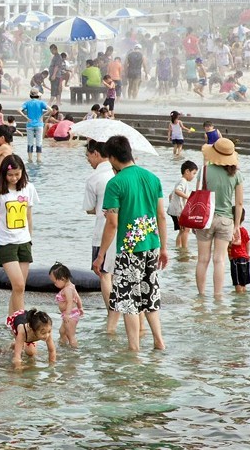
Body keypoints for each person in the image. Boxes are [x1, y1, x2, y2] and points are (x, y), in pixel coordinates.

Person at [94, 136, 167, 351]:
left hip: (129, 249)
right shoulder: (152, 178)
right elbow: (161, 216)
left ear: (114, 158)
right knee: (150, 295)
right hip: (152, 246)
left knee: (129, 301)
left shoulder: (115, 183)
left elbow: (112, 223)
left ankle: (134, 350)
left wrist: (101, 254)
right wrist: (164, 248)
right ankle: (158, 341)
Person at [0, 155, 40, 316]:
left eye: (17, 174)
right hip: (5, 243)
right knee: (18, 285)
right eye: (10, 175)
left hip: (24, 242)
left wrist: (30, 239)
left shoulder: (28, 188)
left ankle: (11, 320)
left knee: (20, 287)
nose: (14, 178)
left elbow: (29, 216)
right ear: (3, 174)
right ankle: (21, 322)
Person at [195, 138, 243, 298]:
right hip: (226, 219)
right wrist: (236, 225)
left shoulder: (204, 170)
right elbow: (239, 202)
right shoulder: (237, 174)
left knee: (202, 259)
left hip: (206, 219)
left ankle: (201, 296)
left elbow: (197, 196)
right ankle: (218, 296)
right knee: (220, 260)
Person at [82, 139, 119, 332]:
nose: (88, 159)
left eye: (88, 155)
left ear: (96, 153)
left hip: (102, 231)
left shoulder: (94, 178)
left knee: (105, 275)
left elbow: (89, 209)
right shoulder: (118, 173)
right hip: (124, 230)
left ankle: (111, 314)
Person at [49, 263, 84, 348]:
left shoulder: (67, 289)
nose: (54, 285)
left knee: (70, 335)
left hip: (70, 315)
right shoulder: (71, 286)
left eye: (55, 282)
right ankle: (63, 346)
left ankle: (74, 350)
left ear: (63, 279)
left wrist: (67, 314)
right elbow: (78, 298)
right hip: (69, 314)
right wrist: (80, 307)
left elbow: (70, 302)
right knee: (62, 331)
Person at [167, 161, 198, 250]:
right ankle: (184, 249)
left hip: (176, 211)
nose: (194, 176)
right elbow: (177, 191)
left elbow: (171, 195)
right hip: (178, 212)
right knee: (186, 230)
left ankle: (179, 248)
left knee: (182, 231)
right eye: (194, 173)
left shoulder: (181, 181)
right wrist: (188, 197)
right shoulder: (183, 181)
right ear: (187, 171)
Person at [18, 88, 49, 163]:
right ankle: (38, 159)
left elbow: (18, 110)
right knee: (39, 142)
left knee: (30, 142)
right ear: (38, 96)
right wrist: (42, 116)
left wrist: (26, 117)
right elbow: (50, 110)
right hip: (39, 124)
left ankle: (30, 159)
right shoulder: (41, 103)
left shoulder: (27, 103)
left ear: (30, 95)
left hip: (30, 124)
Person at [227, 208, 250, 294]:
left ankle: (239, 302)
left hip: (236, 258)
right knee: (243, 283)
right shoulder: (244, 230)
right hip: (245, 258)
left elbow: (229, 245)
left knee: (237, 283)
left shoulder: (232, 231)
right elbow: (247, 243)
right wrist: (247, 255)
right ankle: (243, 299)